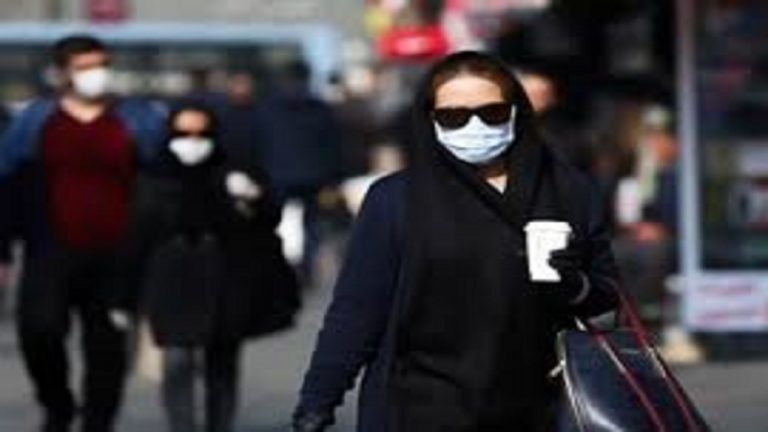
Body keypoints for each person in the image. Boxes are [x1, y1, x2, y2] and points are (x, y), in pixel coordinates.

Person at [293, 51, 620, 432]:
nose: (474, 126)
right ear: (430, 120)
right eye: (454, 117)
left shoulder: (567, 191)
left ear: (517, 112)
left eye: (492, 113)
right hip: (418, 406)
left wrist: (576, 285)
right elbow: (358, 310)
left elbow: (609, 304)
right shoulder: (396, 200)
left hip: (540, 407)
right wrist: (317, 402)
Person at [0, 35, 165, 432]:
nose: (97, 74)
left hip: (118, 252)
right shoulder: (35, 120)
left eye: (102, 65)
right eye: (86, 67)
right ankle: (57, 405)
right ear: (63, 73)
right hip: (50, 248)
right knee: (39, 332)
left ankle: (98, 421)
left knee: (106, 346)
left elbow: (163, 178)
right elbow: (7, 183)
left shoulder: (138, 118)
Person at [132, 103, 300, 432]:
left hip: (225, 275)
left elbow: (270, 217)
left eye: (201, 133)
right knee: (177, 360)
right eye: (184, 133)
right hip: (171, 277)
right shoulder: (153, 172)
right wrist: (123, 293)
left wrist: (252, 198)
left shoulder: (234, 170)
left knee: (221, 362)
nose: (193, 141)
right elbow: (135, 232)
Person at [255, 60, 342, 285]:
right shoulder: (320, 108)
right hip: (314, 176)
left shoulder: (267, 108)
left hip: (277, 174)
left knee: (274, 223)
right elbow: (332, 146)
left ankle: (278, 267)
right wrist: (333, 179)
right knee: (312, 225)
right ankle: (306, 269)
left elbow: (259, 143)